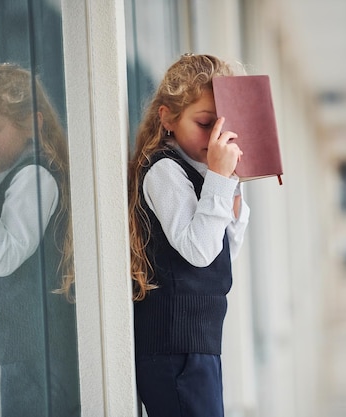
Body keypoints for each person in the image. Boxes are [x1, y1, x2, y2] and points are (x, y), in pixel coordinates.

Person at [128, 53, 250, 417]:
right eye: (204, 123)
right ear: (167, 118)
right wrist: (217, 179)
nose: (215, 137)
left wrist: (231, 185)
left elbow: (222, 254)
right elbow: (199, 251)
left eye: (224, 127)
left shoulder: (205, 173)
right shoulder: (164, 170)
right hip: (173, 350)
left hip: (199, 346)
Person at [0, 63, 80, 416]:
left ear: (32, 125)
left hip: (40, 357)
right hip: (26, 354)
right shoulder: (10, 179)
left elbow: (1, 258)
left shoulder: (35, 176)